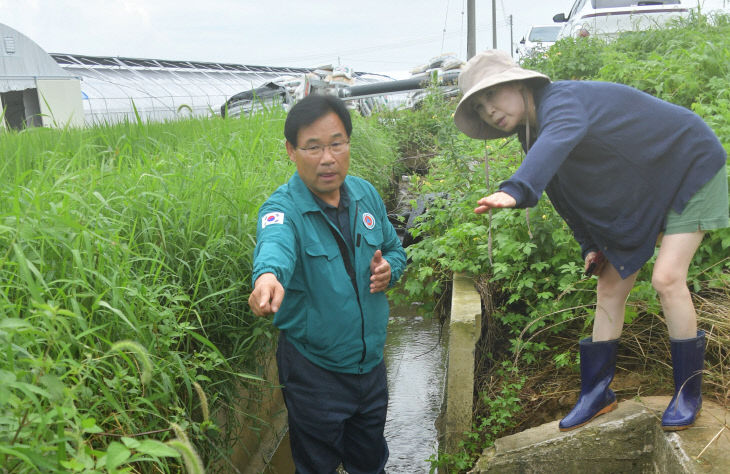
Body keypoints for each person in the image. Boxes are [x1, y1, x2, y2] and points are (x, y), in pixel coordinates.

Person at [453, 50, 728, 432]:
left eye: (493, 96)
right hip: (647, 182)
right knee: (609, 284)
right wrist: (590, 245)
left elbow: (554, 146)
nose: (490, 111)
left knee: (667, 278)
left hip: (688, 163)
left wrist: (516, 188)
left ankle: (687, 392)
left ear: (518, 84)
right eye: (481, 108)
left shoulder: (562, 102)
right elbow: (562, 193)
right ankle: (597, 392)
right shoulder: (532, 134)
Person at [248, 94, 406, 473]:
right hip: (313, 371)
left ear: (348, 143)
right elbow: (275, 247)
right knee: (316, 465)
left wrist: (391, 270)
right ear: (291, 150)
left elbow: (395, 250)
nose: (327, 158)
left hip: (369, 366)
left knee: (370, 462)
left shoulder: (366, 194)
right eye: (313, 147)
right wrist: (268, 277)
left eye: (336, 144)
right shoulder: (282, 210)